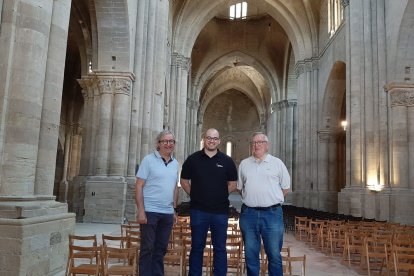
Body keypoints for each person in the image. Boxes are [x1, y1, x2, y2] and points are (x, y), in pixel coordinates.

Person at [180, 128, 238, 276]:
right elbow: (184, 181)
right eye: (209, 138)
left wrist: (219, 195)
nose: (212, 141)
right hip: (198, 210)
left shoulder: (227, 161)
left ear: (219, 141)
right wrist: (195, 194)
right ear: (204, 139)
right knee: (197, 247)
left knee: (220, 248)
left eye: (215, 138)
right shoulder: (193, 159)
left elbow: (233, 184)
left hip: (220, 212)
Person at [237, 132, 291, 276]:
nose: (256, 145)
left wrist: (271, 200)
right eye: (254, 142)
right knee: (250, 255)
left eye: (260, 142)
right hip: (249, 214)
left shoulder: (277, 163)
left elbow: (285, 188)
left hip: (272, 214)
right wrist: (253, 199)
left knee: (274, 254)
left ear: (267, 145)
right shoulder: (244, 164)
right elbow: (240, 188)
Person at [135, 130, 179, 276]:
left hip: (166, 213)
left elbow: (174, 188)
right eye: (165, 141)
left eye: (171, 141)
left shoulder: (175, 163)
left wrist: (173, 210)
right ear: (158, 144)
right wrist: (141, 210)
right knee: (148, 248)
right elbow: (139, 185)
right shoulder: (148, 160)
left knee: (161, 248)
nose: (168, 144)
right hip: (150, 211)